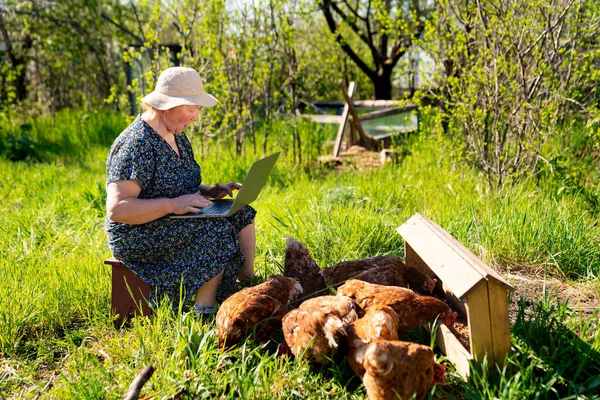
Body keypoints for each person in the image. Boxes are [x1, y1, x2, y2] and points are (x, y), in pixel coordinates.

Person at [104, 66, 256, 315]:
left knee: (242, 212)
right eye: (191, 110)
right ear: (168, 106)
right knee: (214, 230)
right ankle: (203, 312)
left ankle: (246, 287)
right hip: (138, 232)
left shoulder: (176, 134)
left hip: (171, 218)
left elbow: (177, 181)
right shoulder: (136, 144)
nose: (196, 117)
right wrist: (173, 205)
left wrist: (210, 191)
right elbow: (118, 209)